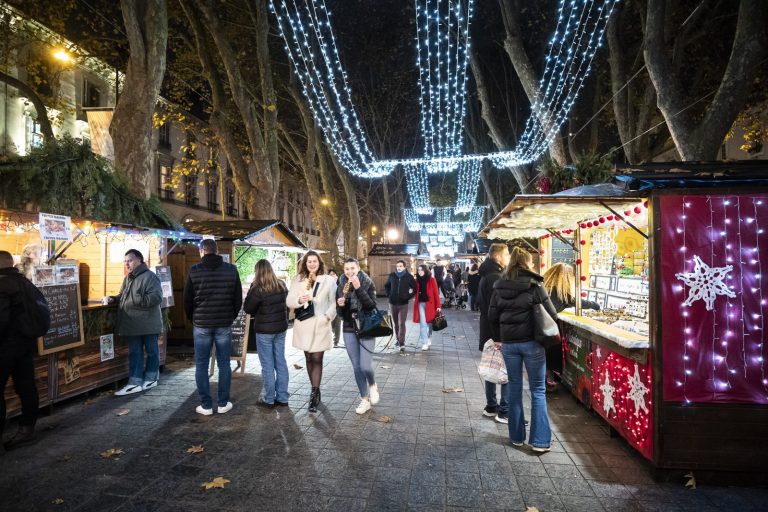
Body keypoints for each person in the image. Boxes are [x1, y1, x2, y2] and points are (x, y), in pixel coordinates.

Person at [488, 247, 558, 452]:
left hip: (509, 345)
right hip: (532, 344)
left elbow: (492, 316)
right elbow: (552, 313)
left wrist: (499, 339)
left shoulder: (498, 286)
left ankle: (516, 437)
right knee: (537, 390)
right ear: (528, 263)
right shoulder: (534, 285)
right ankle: (540, 441)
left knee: (515, 390)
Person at [184, 240, 242, 415]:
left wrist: (193, 318)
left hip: (201, 324)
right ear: (217, 252)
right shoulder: (231, 270)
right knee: (224, 364)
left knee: (201, 364)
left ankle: (206, 405)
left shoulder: (194, 270)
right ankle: (223, 403)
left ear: (202, 251)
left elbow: (187, 300)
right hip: (224, 322)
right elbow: (237, 299)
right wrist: (230, 316)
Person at [0, 251, 46, 453]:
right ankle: (27, 429)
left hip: (5, 346)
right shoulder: (25, 282)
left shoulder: (2, 285)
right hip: (26, 343)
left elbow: (1, 321)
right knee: (26, 386)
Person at [286, 251, 337, 413]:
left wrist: (328, 316)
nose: (312, 264)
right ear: (305, 264)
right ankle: (315, 388)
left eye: (315, 261)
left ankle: (314, 394)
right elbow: (289, 300)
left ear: (319, 263)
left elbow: (334, 301)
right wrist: (298, 301)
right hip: (304, 324)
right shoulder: (298, 279)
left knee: (317, 357)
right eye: (309, 262)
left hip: (321, 324)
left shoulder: (328, 280)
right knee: (308, 357)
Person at [109, 249, 164, 397]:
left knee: (152, 351)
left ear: (139, 260)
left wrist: (135, 300)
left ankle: (151, 378)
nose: (127, 263)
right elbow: (123, 295)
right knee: (135, 353)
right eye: (125, 261)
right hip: (132, 324)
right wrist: (114, 299)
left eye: (130, 260)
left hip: (148, 323)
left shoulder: (150, 277)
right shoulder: (128, 278)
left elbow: (156, 297)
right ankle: (135, 382)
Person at [542, 263, 600, 391]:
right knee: (551, 354)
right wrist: (596, 305)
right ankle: (549, 380)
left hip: (539, 325)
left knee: (544, 355)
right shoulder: (560, 290)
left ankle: (544, 379)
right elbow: (577, 301)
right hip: (549, 327)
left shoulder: (546, 287)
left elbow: (563, 302)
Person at [244, 259, 289, 409]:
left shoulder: (257, 289)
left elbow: (248, 308)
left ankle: (269, 399)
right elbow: (287, 305)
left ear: (258, 271)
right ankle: (282, 397)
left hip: (264, 332)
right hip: (280, 329)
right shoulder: (281, 285)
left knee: (267, 365)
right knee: (280, 362)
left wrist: (251, 287)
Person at [336, 258, 379, 414]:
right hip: (349, 327)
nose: (349, 272)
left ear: (358, 269)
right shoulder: (341, 284)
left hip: (366, 327)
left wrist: (359, 288)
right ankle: (364, 399)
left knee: (365, 365)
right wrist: (340, 305)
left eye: (352, 268)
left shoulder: (368, 283)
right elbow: (340, 313)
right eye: (346, 269)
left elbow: (371, 306)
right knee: (356, 366)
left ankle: (373, 384)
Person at [477, 243, 511, 424]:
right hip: (496, 332)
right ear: (498, 257)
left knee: (491, 368)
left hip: (488, 330)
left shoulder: (487, 275)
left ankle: (491, 405)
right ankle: (504, 410)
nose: (508, 259)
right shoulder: (495, 278)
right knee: (504, 370)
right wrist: (499, 336)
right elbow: (495, 310)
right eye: (507, 255)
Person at [384, 260, 416, 353]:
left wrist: (408, 296)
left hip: (403, 304)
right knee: (396, 323)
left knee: (402, 323)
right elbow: (387, 286)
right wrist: (389, 295)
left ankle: (402, 343)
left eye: (401, 266)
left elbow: (414, 288)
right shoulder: (392, 276)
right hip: (392, 303)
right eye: (397, 266)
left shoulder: (409, 277)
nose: (399, 267)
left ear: (404, 267)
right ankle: (398, 340)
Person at [412, 264, 440, 351]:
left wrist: (438, 306)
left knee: (430, 322)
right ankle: (424, 342)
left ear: (426, 270)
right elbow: (413, 290)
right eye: (418, 270)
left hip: (430, 304)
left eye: (421, 270)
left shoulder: (432, 280)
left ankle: (429, 336)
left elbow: (436, 293)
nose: (419, 271)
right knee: (423, 323)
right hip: (420, 303)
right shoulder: (417, 280)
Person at [328, 269, 342, 348]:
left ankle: (336, 341)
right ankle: (331, 338)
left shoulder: (339, 284)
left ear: (336, 275)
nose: (332, 276)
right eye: (330, 274)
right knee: (331, 325)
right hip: (329, 308)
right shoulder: (326, 285)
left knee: (337, 325)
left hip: (338, 307)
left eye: (333, 274)